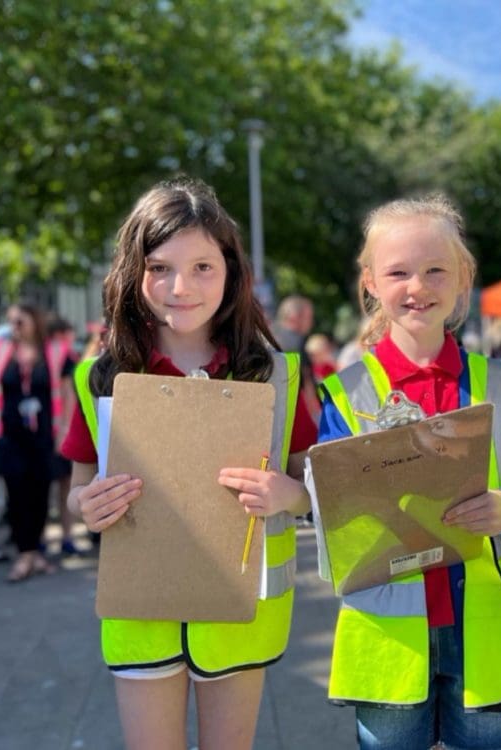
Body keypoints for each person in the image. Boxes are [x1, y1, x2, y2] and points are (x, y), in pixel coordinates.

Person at [61, 177, 317, 750]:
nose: (181, 286)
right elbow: (74, 494)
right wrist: (87, 505)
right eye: (160, 267)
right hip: (140, 613)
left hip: (239, 617)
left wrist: (290, 496)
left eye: (203, 266)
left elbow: (313, 483)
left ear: (231, 271)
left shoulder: (277, 374)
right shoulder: (97, 377)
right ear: (133, 272)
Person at [316, 194, 501, 750]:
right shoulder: (344, 395)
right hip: (388, 642)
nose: (416, 287)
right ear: (370, 281)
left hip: (487, 638)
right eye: (398, 272)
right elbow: (331, 517)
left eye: (435, 270)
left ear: (463, 276)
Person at [0, 301, 72, 581]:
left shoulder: (54, 351)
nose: (13, 328)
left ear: (34, 321)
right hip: (10, 435)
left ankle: (34, 553)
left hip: (43, 436)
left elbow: (67, 394)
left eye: (20, 322)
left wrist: (64, 430)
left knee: (41, 493)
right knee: (16, 494)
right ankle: (24, 553)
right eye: (11, 322)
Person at [45, 316, 81, 556]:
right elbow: (68, 394)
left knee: (63, 486)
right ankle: (63, 536)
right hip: (55, 430)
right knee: (59, 486)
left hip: (57, 429)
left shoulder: (63, 355)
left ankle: (63, 536)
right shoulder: (59, 354)